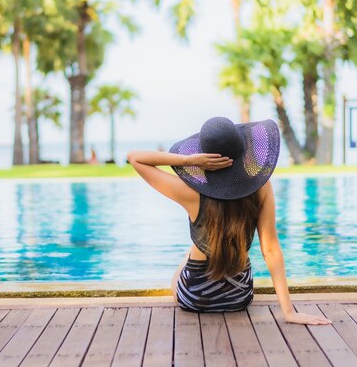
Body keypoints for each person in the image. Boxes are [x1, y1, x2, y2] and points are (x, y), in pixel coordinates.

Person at [127, 117, 331, 325]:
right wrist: (289, 312)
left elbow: (135, 158)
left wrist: (189, 161)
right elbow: (270, 249)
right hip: (238, 297)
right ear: (242, 150)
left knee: (192, 251)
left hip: (194, 298)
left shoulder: (189, 192)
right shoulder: (261, 188)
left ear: (203, 155)